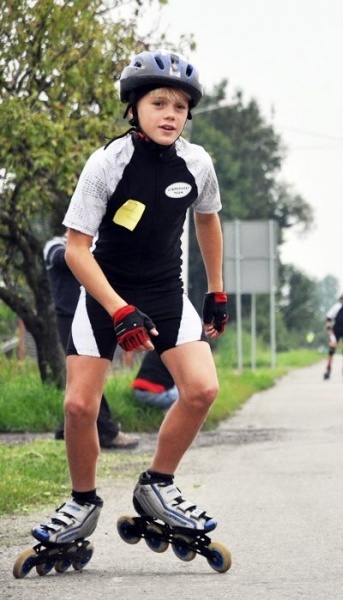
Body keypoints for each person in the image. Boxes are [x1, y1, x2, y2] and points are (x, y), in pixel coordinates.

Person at [25, 50, 230, 566]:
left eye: (180, 107)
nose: (170, 114)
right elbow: (76, 249)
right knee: (79, 407)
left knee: (202, 388)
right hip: (105, 292)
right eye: (159, 103)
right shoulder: (107, 163)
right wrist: (118, 309)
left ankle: (157, 485)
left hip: (165, 291)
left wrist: (216, 290)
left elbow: (207, 219)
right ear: (134, 107)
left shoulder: (197, 163)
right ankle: (82, 501)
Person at [44, 234, 138, 449]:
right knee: (85, 377)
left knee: (85, 378)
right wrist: (84, 248)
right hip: (68, 316)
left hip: (94, 313)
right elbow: (66, 258)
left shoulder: (94, 245)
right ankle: (109, 432)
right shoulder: (54, 246)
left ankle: (67, 427)